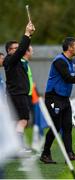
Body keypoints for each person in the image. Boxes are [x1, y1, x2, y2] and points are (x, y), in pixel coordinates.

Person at [40, 37, 75, 164]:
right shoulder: (59, 61)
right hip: (53, 97)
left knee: (67, 126)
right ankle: (45, 153)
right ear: (70, 47)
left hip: (64, 98)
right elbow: (68, 79)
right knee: (56, 126)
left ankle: (69, 154)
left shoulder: (72, 61)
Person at [3, 21, 35, 149]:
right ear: (9, 51)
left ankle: (12, 146)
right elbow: (22, 48)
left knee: (15, 121)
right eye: (15, 48)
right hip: (18, 94)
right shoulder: (10, 60)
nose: (18, 50)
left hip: (16, 94)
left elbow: (24, 49)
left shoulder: (14, 60)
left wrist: (30, 35)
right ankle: (18, 146)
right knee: (23, 120)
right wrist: (27, 33)